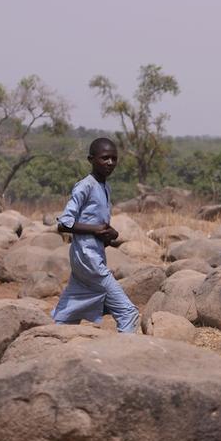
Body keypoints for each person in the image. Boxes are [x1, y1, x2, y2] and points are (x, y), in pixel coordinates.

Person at [51, 137, 140, 334]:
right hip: (88, 259)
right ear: (91, 159)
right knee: (127, 312)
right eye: (105, 158)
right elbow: (63, 224)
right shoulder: (85, 185)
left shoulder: (105, 187)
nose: (110, 163)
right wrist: (95, 230)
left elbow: (98, 226)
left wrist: (109, 233)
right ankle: (125, 356)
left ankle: (50, 345)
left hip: (88, 256)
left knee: (65, 317)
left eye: (114, 159)